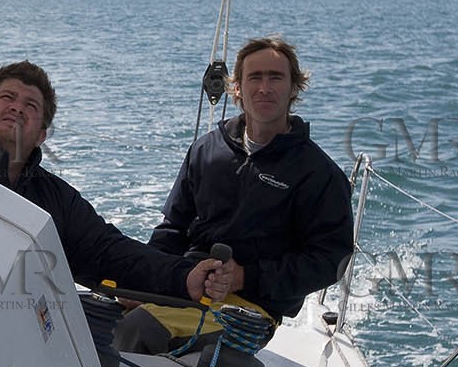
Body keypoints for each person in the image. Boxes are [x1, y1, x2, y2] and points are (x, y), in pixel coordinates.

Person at [0, 61, 218, 300]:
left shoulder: (57, 201)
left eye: (30, 105)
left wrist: (185, 277)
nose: (17, 108)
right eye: (7, 97)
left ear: (42, 135)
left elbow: (110, 252)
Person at [145, 36, 353, 324]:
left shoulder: (318, 174)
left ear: (294, 87)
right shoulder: (206, 150)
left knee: (143, 330)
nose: (264, 88)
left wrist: (244, 277)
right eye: (254, 77)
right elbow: (172, 228)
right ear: (237, 88)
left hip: (253, 307)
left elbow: (331, 260)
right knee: (105, 324)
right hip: (186, 285)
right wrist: (146, 279)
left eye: (276, 78)